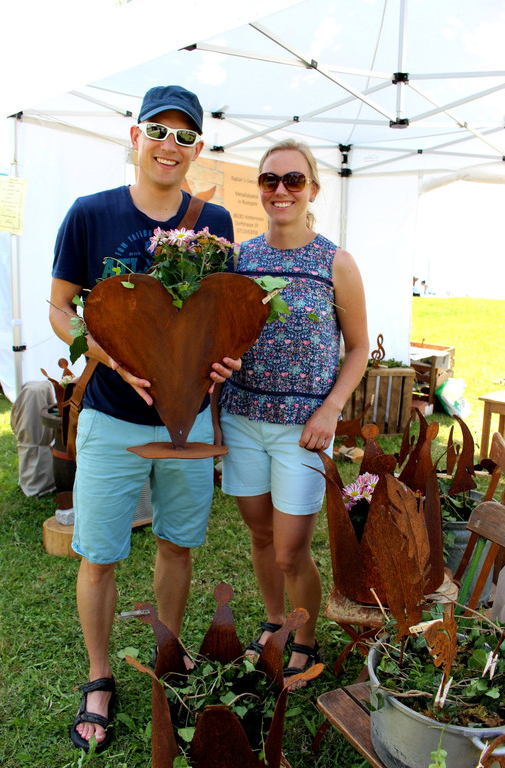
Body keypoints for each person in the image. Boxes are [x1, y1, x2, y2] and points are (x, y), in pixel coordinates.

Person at [49, 85, 240, 752]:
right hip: (112, 416)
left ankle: (167, 650)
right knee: (99, 555)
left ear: (198, 149)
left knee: (178, 543)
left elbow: (221, 314)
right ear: (134, 137)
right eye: (158, 130)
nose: (170, 145)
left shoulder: (214, 219)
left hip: (186, 421)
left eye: (185, 135)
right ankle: (99, 676)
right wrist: (107, 355)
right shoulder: (89, 214)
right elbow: (61, 308)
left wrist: (223, 361)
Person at [219, 139, 369, 686]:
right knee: (261, 539)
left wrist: (331, 409)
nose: (280, 190)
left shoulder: (336, 262)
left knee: (289, 550)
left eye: (293, 180)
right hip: (241, 416)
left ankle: (304, 637)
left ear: (312, 190)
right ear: (259, 188)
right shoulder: (240, 260)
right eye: (269, 180)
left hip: (304, 429)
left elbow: (357, 347)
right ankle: (277, 620)